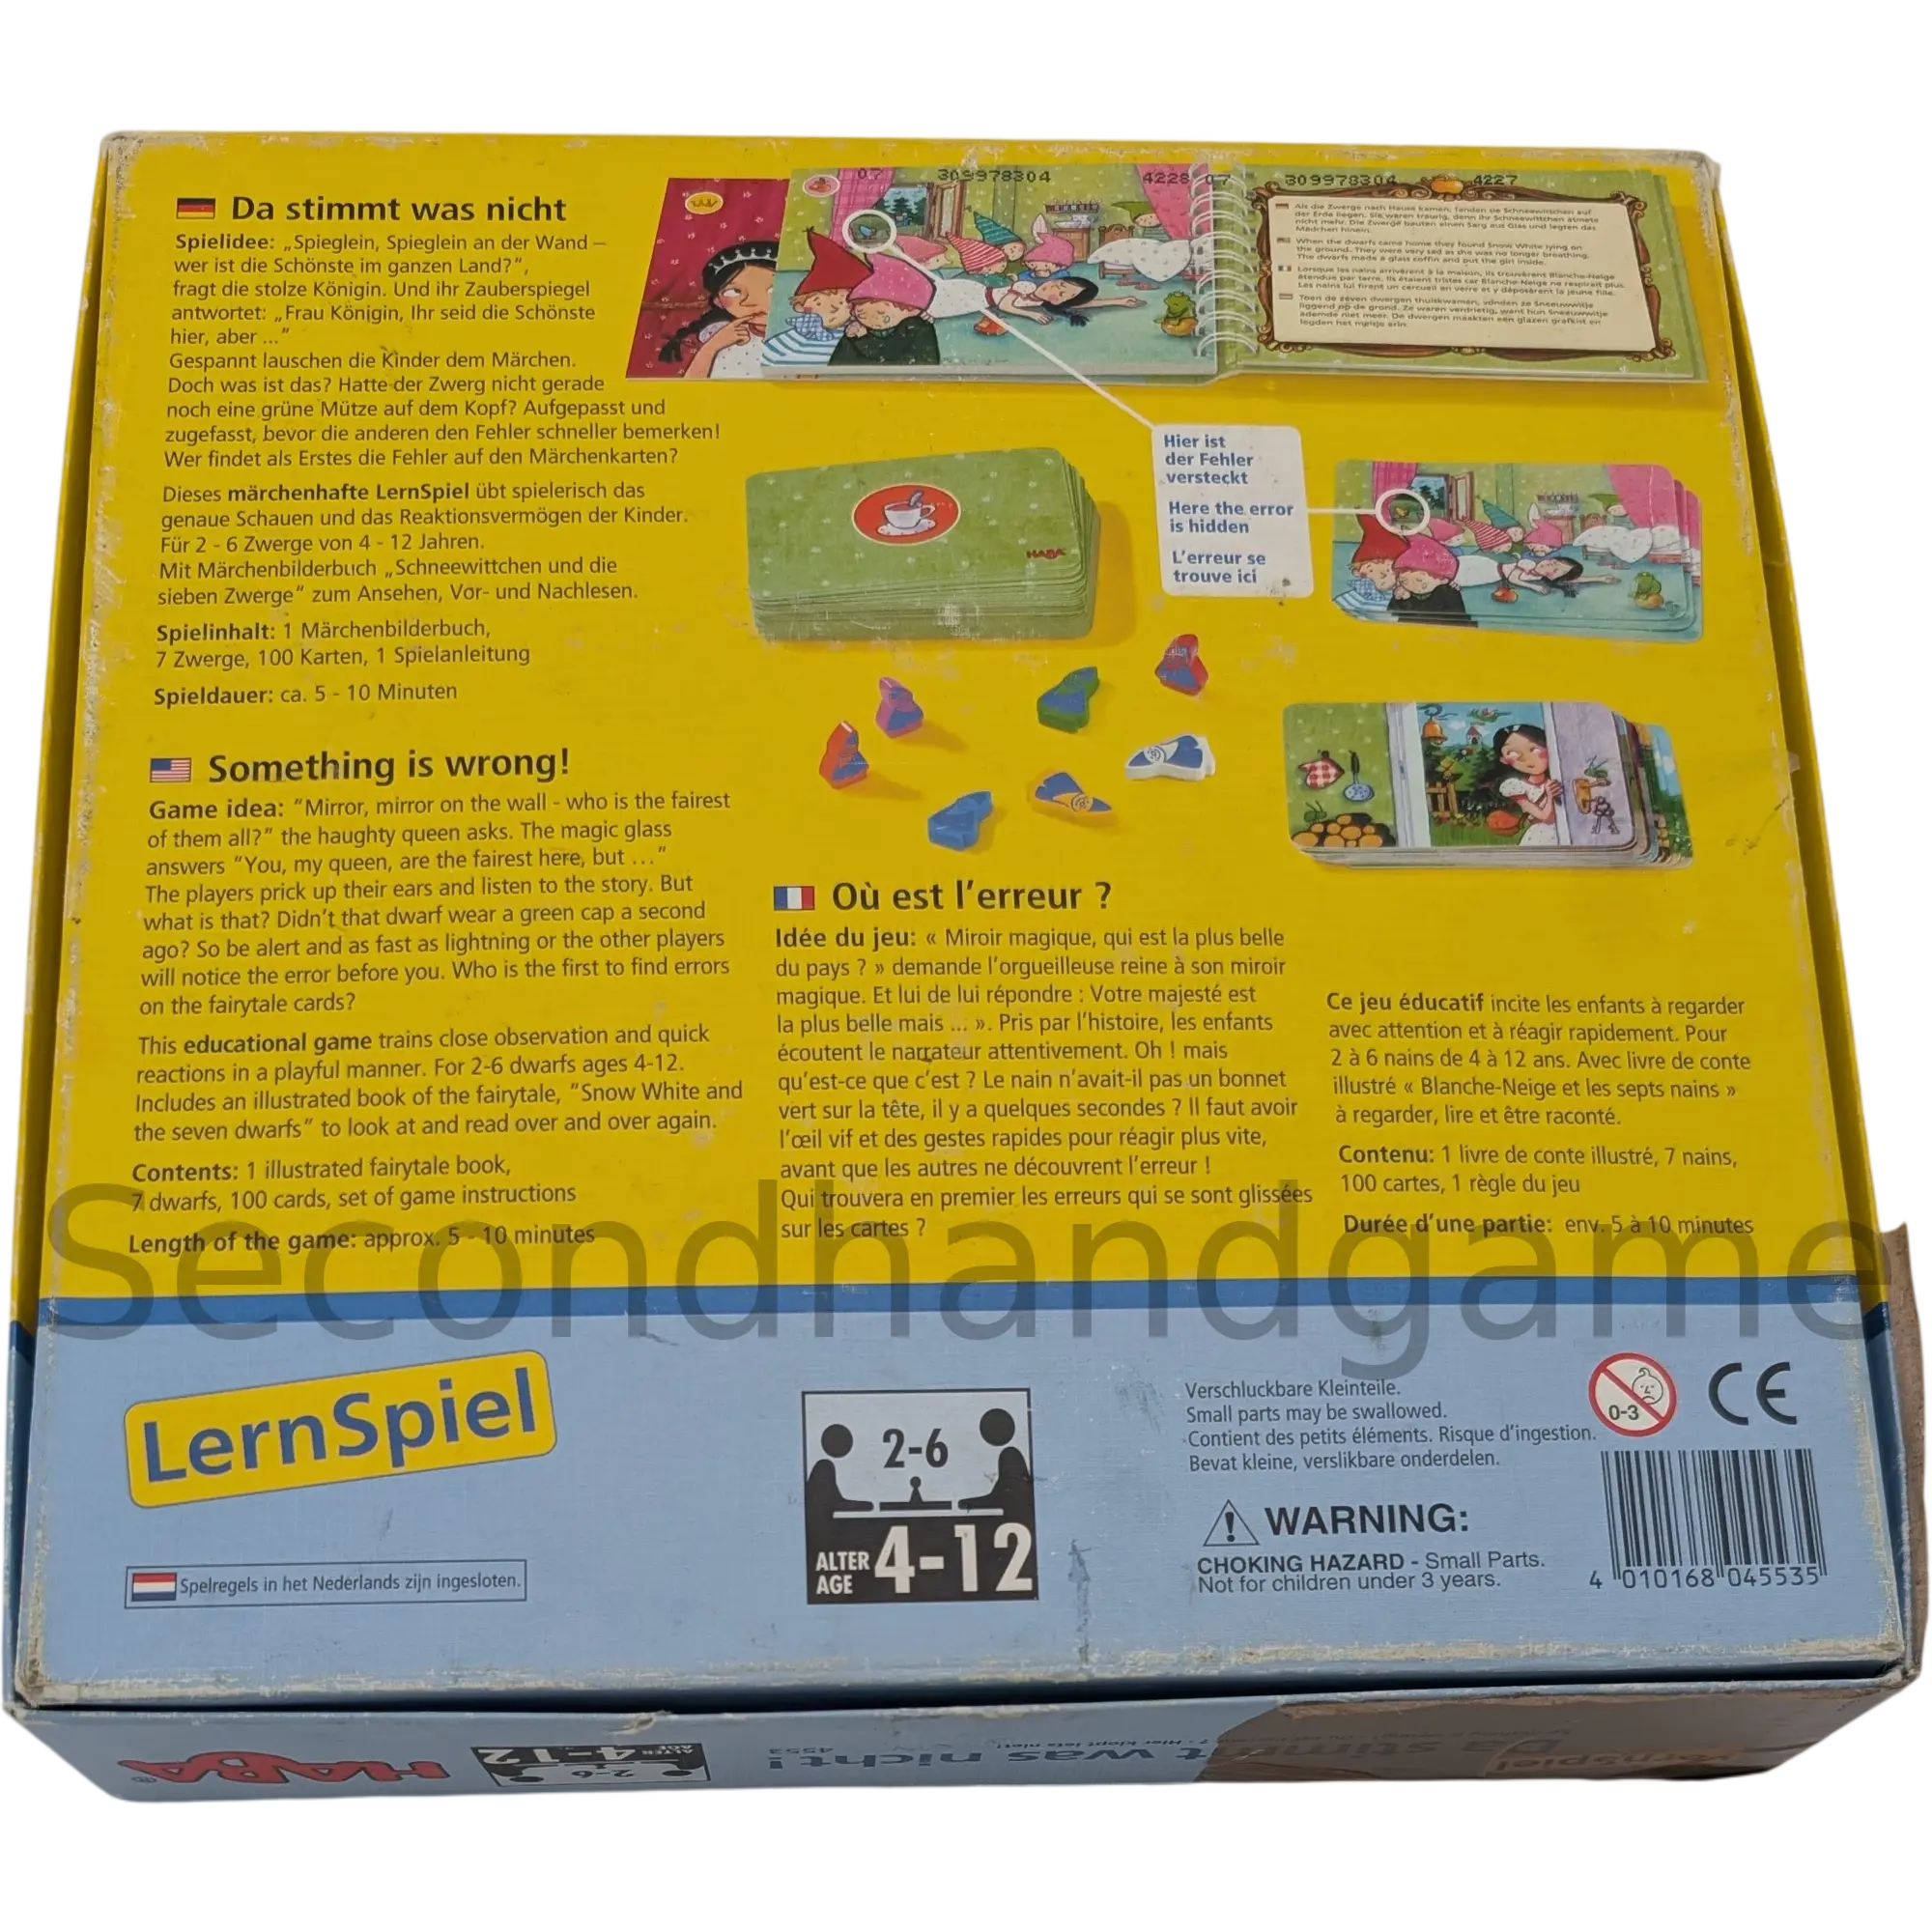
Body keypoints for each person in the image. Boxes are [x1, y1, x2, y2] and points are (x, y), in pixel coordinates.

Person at [657, 241, 778, 379]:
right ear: (718, 301)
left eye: (773, 289)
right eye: (734, 292)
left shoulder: (797, 332)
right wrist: (714, 344)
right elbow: (690, 383)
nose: (750, 302)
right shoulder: (724, 333)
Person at [762, 230, 867, 368]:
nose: (834, 306)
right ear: (801, 306)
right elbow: (770, 361)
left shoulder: (856, 334)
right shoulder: (787, 340)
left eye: (845, 301)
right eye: (819, 301)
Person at [830, 256, 942, 366]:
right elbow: (838, 366)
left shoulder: (916, 328)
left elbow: (890, 357)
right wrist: (853, 338)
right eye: (858, 311)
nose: (858, 313)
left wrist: (862, 340)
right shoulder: (858, 330)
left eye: (880, 312)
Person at [1494, 724, 1562, 846]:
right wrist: (1550, 796)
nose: (1526, 758)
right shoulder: (1517, 787)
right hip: (1542, 837)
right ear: (1504, 760)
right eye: (1513, 753)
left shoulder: (1560, 777)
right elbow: (1545, 817)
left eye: (1534, 749)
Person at [1389, 533, 1474, 625]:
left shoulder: (1446, 592)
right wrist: (1400, 599)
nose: (1415, 586)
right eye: (1405, 581)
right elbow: (1392, 614)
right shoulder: (1404, 593)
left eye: (1420, 581)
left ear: (1442, 580)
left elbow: (1459, 619)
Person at [1338, 516, 1404, 617]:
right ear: (1358, 572)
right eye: (1372, 568)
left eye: (1391, 569)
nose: (1383, 572)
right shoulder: (1359, 594)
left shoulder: (1403, 592)